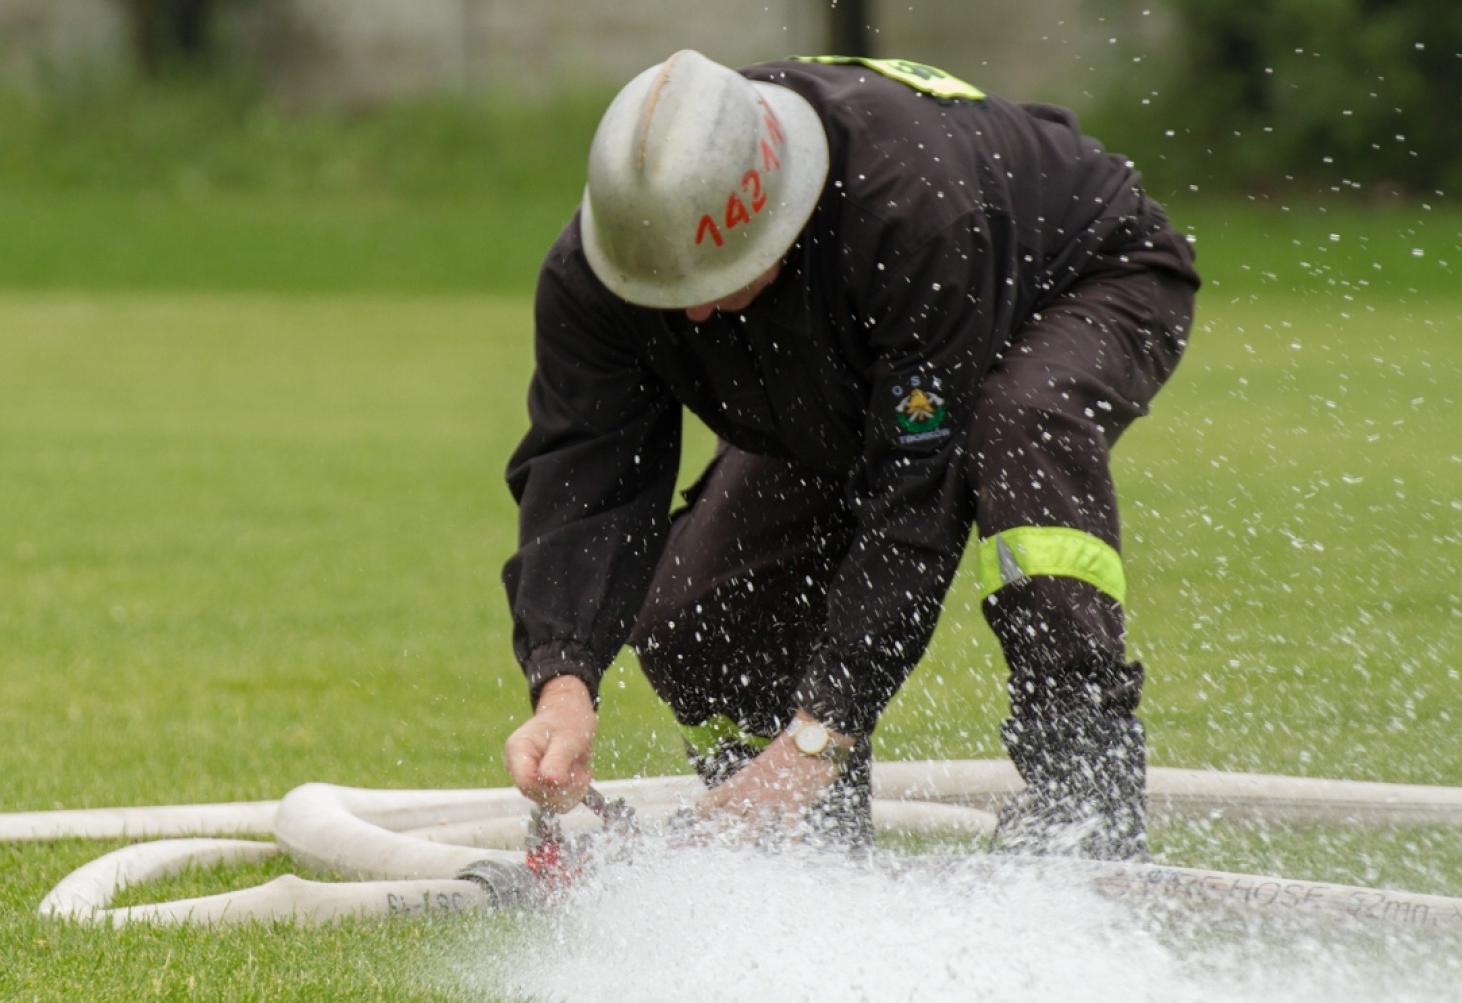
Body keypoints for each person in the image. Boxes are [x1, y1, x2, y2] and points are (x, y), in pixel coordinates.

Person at [500, 50, 1198, 859]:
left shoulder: (906, 211)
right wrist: (563, 682)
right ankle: (795, 847)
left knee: (1017, 423)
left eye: (714, 276)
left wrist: (823, 729)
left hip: (1083, 277)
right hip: (860, 361)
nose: (691, 314)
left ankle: (1087, 806)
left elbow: (914, 500)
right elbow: (582, 473)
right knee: (694, 608)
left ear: (776, 211)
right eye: (663, 288)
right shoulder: (604, 268)